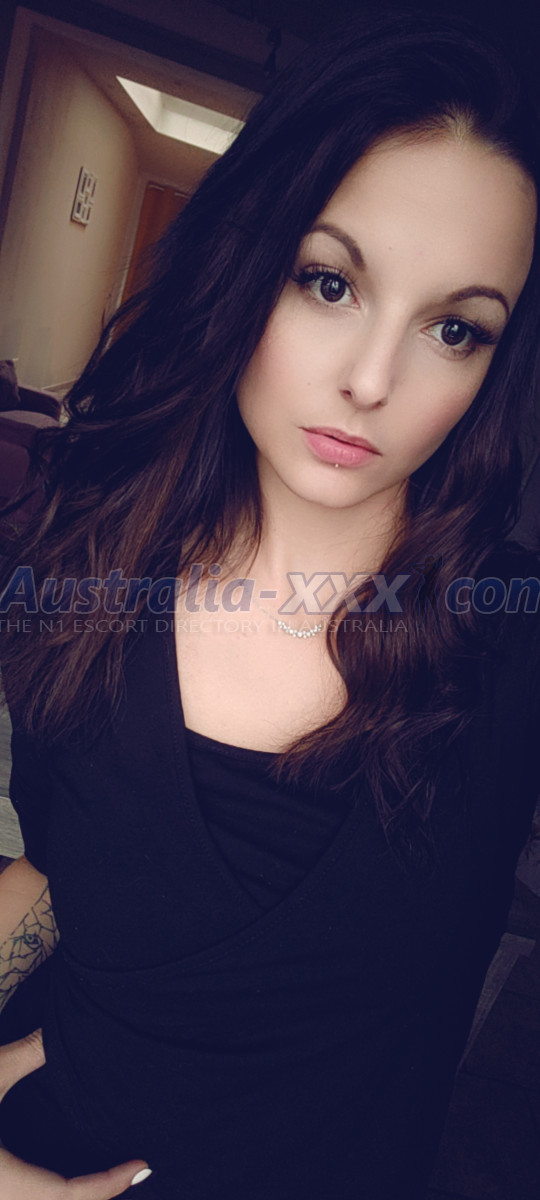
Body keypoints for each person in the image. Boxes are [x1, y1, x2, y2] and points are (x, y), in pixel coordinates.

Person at [0, 8, 539, 1198]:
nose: (372, 379)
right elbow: (64, 883)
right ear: (247, 269)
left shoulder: (509, 639)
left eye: (456, 328)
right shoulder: (78, 576)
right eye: (330, 282)